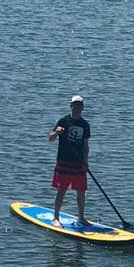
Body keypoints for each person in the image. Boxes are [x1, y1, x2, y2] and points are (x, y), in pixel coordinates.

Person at [48, 93, 91, 227]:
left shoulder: (85, 125)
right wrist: (56, 133)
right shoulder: (63, 121)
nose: (76, 108)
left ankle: (81, 217)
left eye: (79, 106)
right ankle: (56, 218)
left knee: (81, 191)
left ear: (82, 107)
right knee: (62, 190)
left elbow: (85, 145)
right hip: (64, 161)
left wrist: (85, 162)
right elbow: (50, 138)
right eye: (74, 105)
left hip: (78, 162)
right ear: (71, 106)